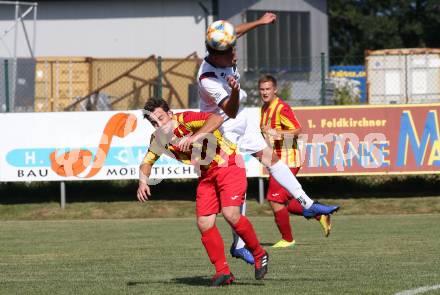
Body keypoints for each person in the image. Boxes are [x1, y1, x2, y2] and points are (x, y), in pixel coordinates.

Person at [198, 14, 340, 262]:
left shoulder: (221, 49)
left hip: (239, 118)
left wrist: (259, 23)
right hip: (221, 128)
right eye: (231, 51)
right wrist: (233, 89)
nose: (235, 54)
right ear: (217, 54)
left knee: (272, 159)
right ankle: (238, 244)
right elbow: (227, 111)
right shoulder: (208, 79)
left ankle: (307, 203)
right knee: (237, 183)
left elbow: (235, 32)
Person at [137, 98, 269, 286]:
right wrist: (143, 182)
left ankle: (259, 254)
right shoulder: (158, 139)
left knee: (231, 214)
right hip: (206, 175)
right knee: (204, 222)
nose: (159, 125)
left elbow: (216, 119)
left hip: (229, 164)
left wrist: (194, 136)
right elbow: (146, 162)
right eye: (154, 123)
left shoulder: (187, 120)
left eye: (161, 118)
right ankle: (223, 272)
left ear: (170, 114)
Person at [259, 75, 333, 248]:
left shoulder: (281, 108)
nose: (265, 92)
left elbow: (299, 130)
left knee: (276, 201)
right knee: (285, 202)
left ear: (275, 89)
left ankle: (288, 239)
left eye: (268, 89)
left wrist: (279, 133)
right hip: (275, 159)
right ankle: (319, 214)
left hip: (288, 158)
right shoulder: (264, 108)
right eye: (262, 89)